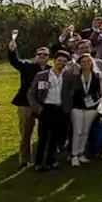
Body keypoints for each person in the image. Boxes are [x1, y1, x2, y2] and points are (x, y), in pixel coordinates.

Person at [27, 50, 70, 171]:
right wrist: (38, 109)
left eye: (64, 62)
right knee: (43, 137)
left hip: (60, 109)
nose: (61, 63)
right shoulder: (42, 75)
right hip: (46, 109)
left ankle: (50, 160)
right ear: (54, 61)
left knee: (55, 137)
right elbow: (31, 93)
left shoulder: (67, 76)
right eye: (59, 61)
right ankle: (39, 163)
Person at [8, 37, 47, 168]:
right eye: (39, 54)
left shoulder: (50, 70)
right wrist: (12, 50)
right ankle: (24, 159)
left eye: (45, 54)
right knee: (25, 134)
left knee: (45, 133)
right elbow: (15, 61)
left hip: (43, 106)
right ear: (35, 56)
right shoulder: (27, 67)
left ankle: (45, 157)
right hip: (25, 105)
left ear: (48, 57)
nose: (42, 56)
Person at [64, 53, 102, 166]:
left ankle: (81, 153)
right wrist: (76, 75)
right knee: (78, 131)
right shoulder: (75, 76)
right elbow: (71, 91)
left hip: (91, 107)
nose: (86, 63)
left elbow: (100, 92)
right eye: (83, 62)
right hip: (77, 107)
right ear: (79, 64)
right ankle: (74, 155)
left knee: (86, 131)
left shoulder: (97, 75)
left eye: (88, 61)